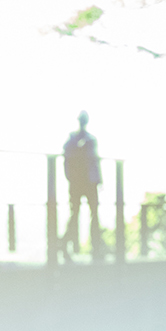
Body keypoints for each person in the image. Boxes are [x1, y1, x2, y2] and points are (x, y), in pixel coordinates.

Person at [63, 110, 103, 261]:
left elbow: (95, 160)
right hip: (80, 182)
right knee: (76, 214)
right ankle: (66, 245)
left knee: (90, 214)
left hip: (88, 182)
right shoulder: (73, 139)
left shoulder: (88, 140)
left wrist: (99, 180)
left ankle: (96, 248)